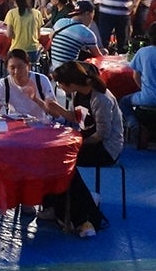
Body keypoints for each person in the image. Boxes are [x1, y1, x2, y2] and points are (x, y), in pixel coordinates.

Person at [41, 61, 124, 237]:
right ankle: (54, 205)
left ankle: (85, 216)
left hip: (105, 148)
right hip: (87, 141)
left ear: (69, 84)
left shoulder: (100, 99)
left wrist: (76, 143)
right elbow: (76, 117)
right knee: (51, 157)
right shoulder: (79, 93)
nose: (59, 86)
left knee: (64, 162)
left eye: (60, 84)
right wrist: (57, 109)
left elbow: (102, 134)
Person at [0, 50, 67, 121]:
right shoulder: (4, 83)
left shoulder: (41, 80)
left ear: (28, 66)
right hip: (15, 125)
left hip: (39, 124)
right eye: (12, 68)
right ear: (7, 69)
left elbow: (56, 113)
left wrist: (35, 99)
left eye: (20, 67)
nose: (16, 72)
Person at [48, 1, 100, 67]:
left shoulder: (60, 22)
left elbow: (50, 38)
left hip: (53, 68)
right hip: (69, 72)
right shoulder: (87, 33)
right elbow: (98, 57)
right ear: (87, 14)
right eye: (93, 16)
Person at [4, 0, 44, 65]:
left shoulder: (11, 13)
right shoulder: (37, 13)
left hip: (16, 52)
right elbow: (38, 35)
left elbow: (9, 35)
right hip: (33, 52)